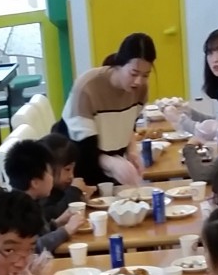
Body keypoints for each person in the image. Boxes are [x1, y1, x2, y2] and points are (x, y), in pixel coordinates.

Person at [57, 32, 156, 187]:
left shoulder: (141, 90)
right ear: (119, 64)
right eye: (134, 73)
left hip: (109, 164)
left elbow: (129, 126)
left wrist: (131, 151)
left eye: (146, 75)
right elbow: (84, 149)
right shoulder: (88, 87)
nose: (139, 81)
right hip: (76, 168)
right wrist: (112, 163)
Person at [3, 140, 83, 253]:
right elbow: (33, 248)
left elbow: (40, 234)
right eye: (50, 174)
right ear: (35, 183)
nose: (52, 179)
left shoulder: (27, 202)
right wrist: (66, 230)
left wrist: (57, 223)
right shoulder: (19, 211)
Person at [39, 133, 95, 214]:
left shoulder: (58, 188)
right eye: (67, 169)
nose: (71, 176)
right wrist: (75, 190)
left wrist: (81, 195)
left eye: (73, 169)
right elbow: (56, 214)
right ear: (48, 168)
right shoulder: (42, 193)